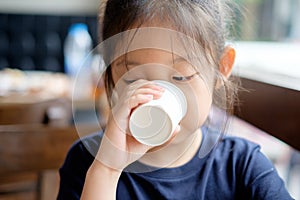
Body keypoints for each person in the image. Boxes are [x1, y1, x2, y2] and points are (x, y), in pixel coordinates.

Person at [57, 0, 293, 199]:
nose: (156, 96)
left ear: (221, 67)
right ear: (109, 74)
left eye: (179, 76)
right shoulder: (88, 162)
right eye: (134, 78)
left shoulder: (243, 167)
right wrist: (107, 170)